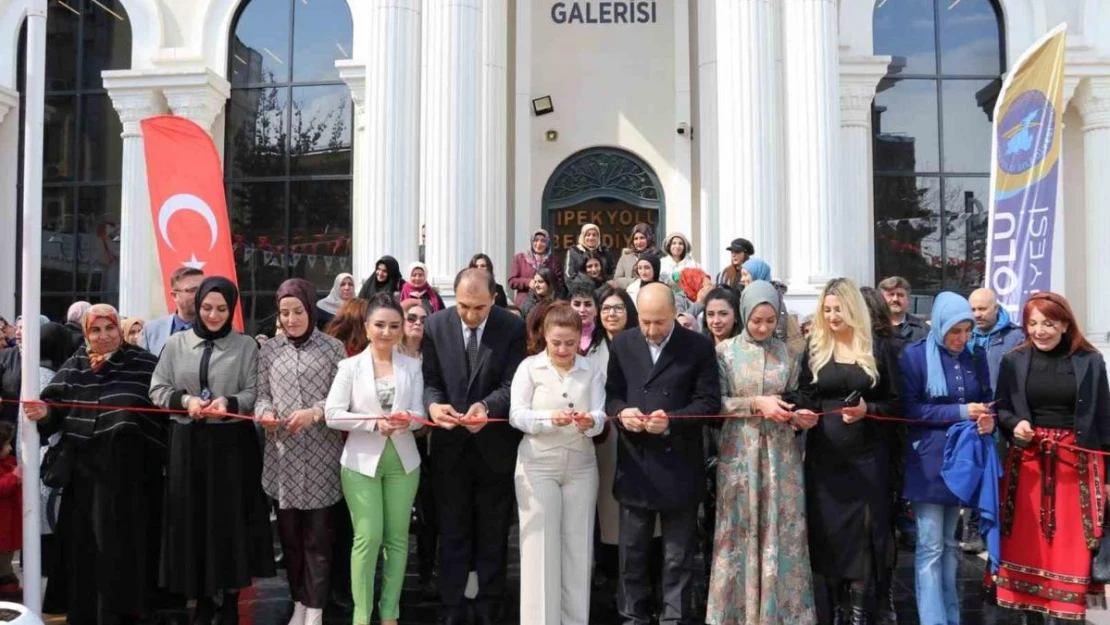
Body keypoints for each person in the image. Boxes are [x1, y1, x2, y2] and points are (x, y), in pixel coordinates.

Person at [25, 304, 168, 625]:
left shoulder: (144, 364)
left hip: (133, 479)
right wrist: (43, 413)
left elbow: (163, 407)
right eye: (95, 330)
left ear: (120, 329)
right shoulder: (75, 366)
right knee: (87, 550)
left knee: (128, 548)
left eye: (110, 329)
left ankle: (131, 613)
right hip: (86, 479)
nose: (104, 336)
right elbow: (53, 406)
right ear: (86, 333)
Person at [149, 277, 275, 625]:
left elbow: (254, 391)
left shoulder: (246, 345)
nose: (214, 314)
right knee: (194, 522)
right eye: (207, 308)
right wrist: (185, 400)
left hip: (232, 447)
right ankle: (202, 597)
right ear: (198, 307)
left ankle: (231, 597)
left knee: (230, 521)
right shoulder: (176, 344)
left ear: (232, 308)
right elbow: (157, 388)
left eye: (221, 309)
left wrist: (229, 402)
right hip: (188, 445)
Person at [605, 282, 722, 625]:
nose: (651, 330)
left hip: (679, 462)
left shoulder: (697, 348)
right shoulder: (624, 343)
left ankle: (675, 618)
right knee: (633, 553)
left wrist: (672, 421)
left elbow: (709, 404)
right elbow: (611, 394)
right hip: (635, 461)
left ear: (675, 314)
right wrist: (622, 413)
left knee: (677, 555)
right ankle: (633, 616)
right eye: (645, 321)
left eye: (659, 322)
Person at [994, 292, 1110, 621]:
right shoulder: (1012, 361)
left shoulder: (1090, 360)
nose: (1039, 331)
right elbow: (1001, 408)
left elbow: (1104, 418)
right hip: (1028, 463)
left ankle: (1067, 614)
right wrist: (1016, 424)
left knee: (1071, 546)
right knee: (1028, 544)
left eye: (1048, 323)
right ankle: (1030, 613)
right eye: (1032, 323)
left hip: (1077, 465)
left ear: (1064, 323)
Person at [790, 278, 900, 625]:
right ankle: (836, 607)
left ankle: (858, 611)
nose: (833, 316)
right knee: (830, 533)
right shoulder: (815, 347)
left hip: (867, 458)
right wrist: (799, 414)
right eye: (827, 309)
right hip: (825, 458)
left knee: (864, 535)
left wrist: (870, 410)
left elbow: (895, 403)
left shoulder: (877, 348)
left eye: (838, 309)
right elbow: (804, 395)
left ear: (853, 309)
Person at [709, 280, 817, 624]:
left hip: (780, 456)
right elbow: (716, 405)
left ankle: (779, 612)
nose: (763, 327)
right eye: (756, 320)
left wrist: (797, 415)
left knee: (778, 527)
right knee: (738, 527)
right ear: (744, 315)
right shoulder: (725, 352)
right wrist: (755, 403)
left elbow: (796, 396)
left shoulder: (789, 353)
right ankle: (735, 613)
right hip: (739, 451)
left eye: (770, 321)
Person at [423, 268, 527, 625]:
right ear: (454, 299)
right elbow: (432, 382)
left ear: (494, 298)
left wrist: (488, 407)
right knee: (451, 528)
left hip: (494, 447)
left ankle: (490, 601)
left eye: (479, 308)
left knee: (493, 531)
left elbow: (514, 383)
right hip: (451, 447)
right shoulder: (436, 326)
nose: (471, 315)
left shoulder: (511, 327)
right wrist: (434, 407)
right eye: (464, 306)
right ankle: (452, 604)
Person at [325, 293, 426, 625]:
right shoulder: (349, 366)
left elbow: (421, 415)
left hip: (403, 461)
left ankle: (390, 613)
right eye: (380, 325)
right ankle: (361, 614)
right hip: (360, 462)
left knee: (397, 539)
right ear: (367, 327)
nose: (387, 332)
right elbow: (332, 415)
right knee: (367, 538)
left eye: (394, 326)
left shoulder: (412, 366)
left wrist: (406, 419)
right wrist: (372, 423)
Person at [255, 279, 346, 625]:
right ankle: (298, 601)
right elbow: (261, 394)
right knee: (290, 540)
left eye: (298, 311)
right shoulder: (269, 351)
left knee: (319, 540)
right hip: (283, 458)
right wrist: (264, 414)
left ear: (310, 309)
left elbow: (341, 396)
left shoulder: (333, 348)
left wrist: (315, 412)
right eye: (285, 313)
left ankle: (316, 607)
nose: (291, 319)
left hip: (322, 455)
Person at [899, 292, 994, 625]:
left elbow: (986, 398)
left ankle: (952, 617)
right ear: (939, 325)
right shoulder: (914, 357)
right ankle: (932, 619)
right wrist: (959, 411)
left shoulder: (974, 356)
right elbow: (910, 410)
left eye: (967, 330)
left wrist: (986, 416)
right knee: (929, 547)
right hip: (927, 460)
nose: (962, 338)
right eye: (955, 330)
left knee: (951, 544)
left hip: (961, 461)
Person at [510, 301, 606, 625]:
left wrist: (589, 422)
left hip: (581, 465)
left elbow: (601, 415)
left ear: (580, 337)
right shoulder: (528, 368)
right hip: (538, 464)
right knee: (540, 550)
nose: (563, 349)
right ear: (545, 338)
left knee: (578, 549)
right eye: (556, 342)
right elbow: (517, 415)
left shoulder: (591, 368)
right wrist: (549, 418)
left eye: (570, 342)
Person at [589, 287, 639, 591]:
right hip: (604, 440)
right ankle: (609, 578)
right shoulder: (590, 352)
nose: (611, 314)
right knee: (607, 513)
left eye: (618, 308)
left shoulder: (639, 346)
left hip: (637, 433)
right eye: (606, 308)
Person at [968, 288, 1024, 391]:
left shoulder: (1017, 338)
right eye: (973, 310)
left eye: (982, 309)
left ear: (996, 308)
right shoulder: (965, 336)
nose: (977, 315)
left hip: (1002, 404)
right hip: (972, 405)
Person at [142, 266, 204, 356]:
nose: (199, 295)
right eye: (192, 290)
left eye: (202, 289)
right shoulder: (152, 330)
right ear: (174, 295)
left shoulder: (217, 329)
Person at [508, 229, 564, 307]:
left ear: (547, 243)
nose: (538, 244)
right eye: (536, 240)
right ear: (531, 242)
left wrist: (546, 286)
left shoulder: (554, 261)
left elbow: (560, 284)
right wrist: (528, 282)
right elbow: (512, 281)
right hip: (524, 304)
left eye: (543, 241)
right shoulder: (520, 258)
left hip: (547, 303)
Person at [878, 276, 928, 343]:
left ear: (908, 300)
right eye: (891, 295)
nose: (895, 299)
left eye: (900, 295)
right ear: (881, 298)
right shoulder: (872, 328)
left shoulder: (923, 330)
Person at [613, 223, 662, 289]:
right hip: (630, 294)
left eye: (642, 238)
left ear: (648, 238)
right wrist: (637, 282)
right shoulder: (625, 257)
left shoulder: (657, 255)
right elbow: (617, 280)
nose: (638, 242)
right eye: (636, 239)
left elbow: (662, 277)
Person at [0, 422, 18, 593]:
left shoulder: (9, 462)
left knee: (6, 562)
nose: (11, 448)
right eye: (6, 444)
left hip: (8, 529)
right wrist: (14, 478)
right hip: (3, 531)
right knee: (4, 568)